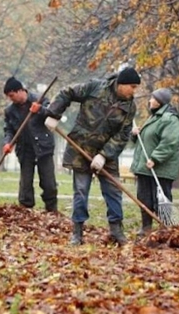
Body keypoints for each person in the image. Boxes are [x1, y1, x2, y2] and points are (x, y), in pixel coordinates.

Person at [44, 67, 142, 246]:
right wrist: (53, 114)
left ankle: (116, 231)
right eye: (133, 87)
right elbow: (67, 92)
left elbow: (123, 135)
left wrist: (104, 155)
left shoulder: (130, 107)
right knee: (81, 192)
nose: (135, 91)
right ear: (121, 84)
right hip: (81, 147)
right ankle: (78, 232)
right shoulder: (95, 88)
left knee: (113, 192)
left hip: (107, 154)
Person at [130, 88, 179, 239]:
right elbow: (146, 141)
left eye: (152, 98)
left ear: (159, 102)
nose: (149, 101)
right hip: (145, 168)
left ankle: (164, 230)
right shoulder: (154, 118)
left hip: (160, 169)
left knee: (161, 200)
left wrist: (155, 158)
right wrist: (135, 134)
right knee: (144, 198)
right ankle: (146, 228)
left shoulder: (169, 119)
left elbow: (170, 142)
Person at [2, 76, 58, 212]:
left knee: (48, 182)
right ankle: (26, 210)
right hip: (25, 149)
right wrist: (8, 143)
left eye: (12, 95)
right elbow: (9, 129)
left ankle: (51, 209)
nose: (11, 99)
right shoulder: (10, 111)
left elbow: (54, 113)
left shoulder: (40, 100)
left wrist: (40, 109)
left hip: (43, 146)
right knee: (25, 182)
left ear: (21, 90)